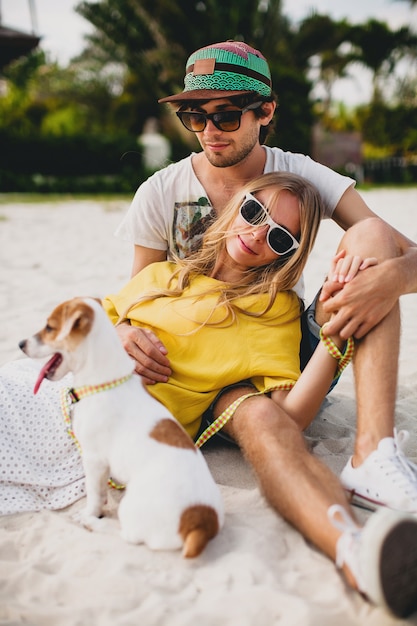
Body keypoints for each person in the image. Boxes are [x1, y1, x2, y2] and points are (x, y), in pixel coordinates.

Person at [1, 172, 417, 616]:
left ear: (289, 255)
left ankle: (359, 551)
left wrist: (334, 337)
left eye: (279, 238)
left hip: (91, 436)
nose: (257, 235)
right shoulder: (163, 274)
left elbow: (288, 416)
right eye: (254, 212)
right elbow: (88, 322)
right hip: (41, 391)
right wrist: (118, 330)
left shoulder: (270, 310)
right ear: (236, 202)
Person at [114, 40, 417, 516]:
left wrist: (390, 278)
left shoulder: (297, 174)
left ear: (265, 112)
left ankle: (372, 455)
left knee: (374, 236)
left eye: (228, 115)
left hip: (279, 347)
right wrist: (123, 332)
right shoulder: (160, 190)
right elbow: (138, 294)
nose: (210, 131)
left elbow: (402, 250)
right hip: (192, 362)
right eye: (195, 116)